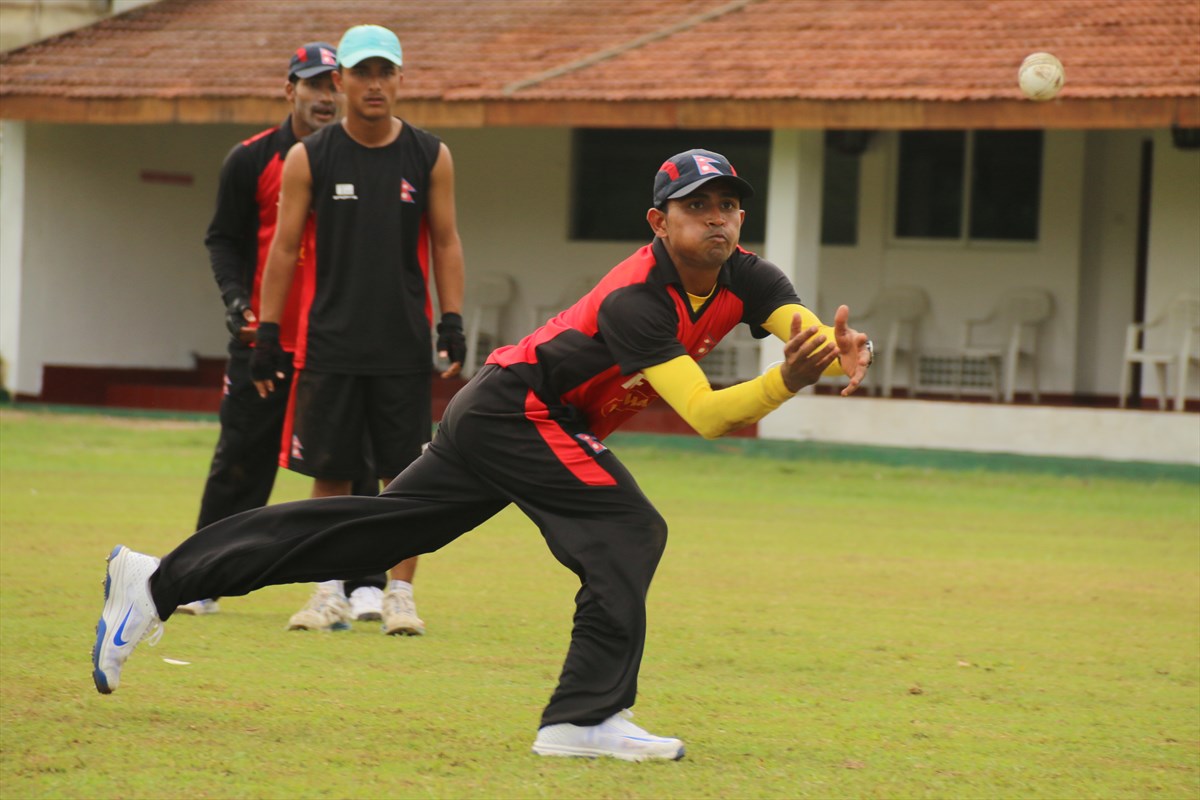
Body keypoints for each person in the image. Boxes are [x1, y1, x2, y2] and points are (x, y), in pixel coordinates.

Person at [91, 147, 873, 762]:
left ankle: (158, 580)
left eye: (728, 205)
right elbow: (703, 413)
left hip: (512, 413)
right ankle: (585, 718)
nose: (718, 219)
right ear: (658, 222)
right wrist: (788, 384)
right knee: (629, 529)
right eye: (695, 207)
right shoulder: (641, 298)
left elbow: (806, 335)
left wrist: (837, 352)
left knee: (374, 534)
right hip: (518, 411)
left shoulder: (749, 276)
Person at [250, 25, 468, 636]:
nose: (374, 85)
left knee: (406, 474)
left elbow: (446, 241)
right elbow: (285, 247)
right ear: (340, 80)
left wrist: (451, 320)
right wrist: (266, 334)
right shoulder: (310, 156)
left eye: (385, 72)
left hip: (402, 340)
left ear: (400, 79)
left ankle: (401, 595)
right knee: (331, 471)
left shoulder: (429, 155)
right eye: (362, 73)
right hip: (331, 341)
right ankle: (327, 592)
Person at [181, 41, 389, 622]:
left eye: (332, 84)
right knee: (241, 459)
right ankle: (204, 577)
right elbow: (223, 239)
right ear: (289, 89)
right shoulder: (249, 159)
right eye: (313, 84)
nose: (324, 97)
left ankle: (364, 582)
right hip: (268, 340)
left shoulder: (366, 156)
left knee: (358, 463)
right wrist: (237, 302)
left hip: (342, 341)